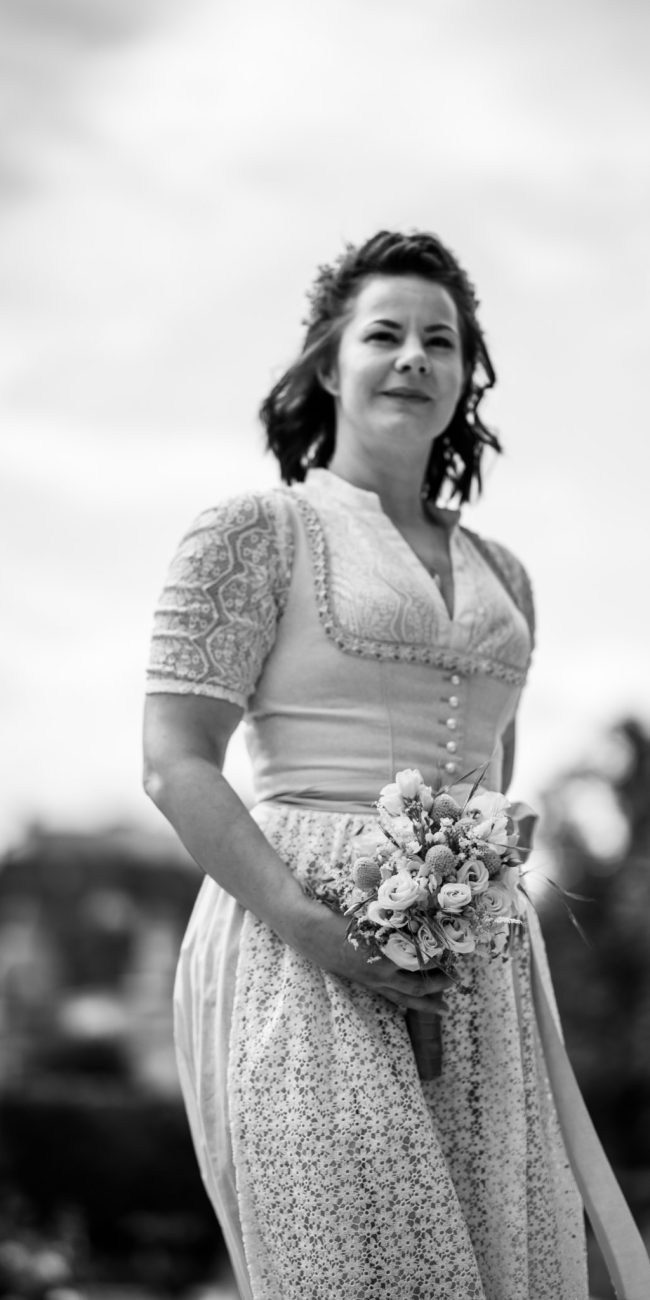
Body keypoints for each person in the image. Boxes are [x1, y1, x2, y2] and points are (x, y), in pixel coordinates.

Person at [142, 231, 646, 1300]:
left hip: (478, 963)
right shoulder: (254, 529)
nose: (413, 355)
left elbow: (495, 789)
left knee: (496, 1268)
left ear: (465, 376)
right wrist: (316, 921)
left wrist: (469, 888)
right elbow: (174, 760)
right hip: (296, 943)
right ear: (329, 364)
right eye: (384, 333)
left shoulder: (504, 569)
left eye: (440, 339)